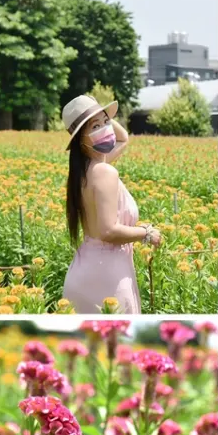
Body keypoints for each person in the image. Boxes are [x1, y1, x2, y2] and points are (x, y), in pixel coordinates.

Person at [61, 95, 161, 314]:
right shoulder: (105, 172)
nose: (105, 129)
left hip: (86, 268)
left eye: (106, 123)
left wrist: (97, 111)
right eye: (95, 127)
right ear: (80, 138)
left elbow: (123, 138)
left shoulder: (84, 170)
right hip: (107, 275)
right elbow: (108, 230)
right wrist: (146, 232)